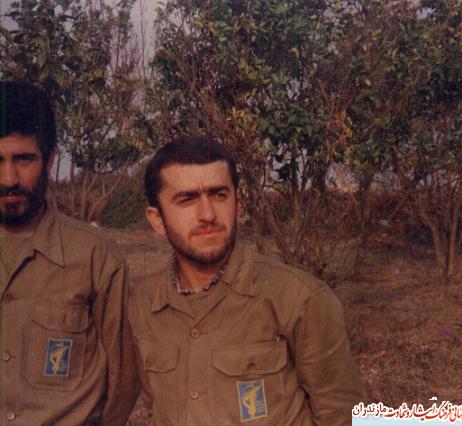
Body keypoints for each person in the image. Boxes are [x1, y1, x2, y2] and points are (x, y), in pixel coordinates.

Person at [129, 135, 362, 425]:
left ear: (238, 206)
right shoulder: (142, 303)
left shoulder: (299, 298)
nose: (207, 214)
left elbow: (343, 416)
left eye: (219, 195)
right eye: (187, 200)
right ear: (157, 220)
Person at [0, 81, 139, 425]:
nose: (9, 178)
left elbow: (124, 378)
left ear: (49, 160)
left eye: (24, 159)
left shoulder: (95, 257)